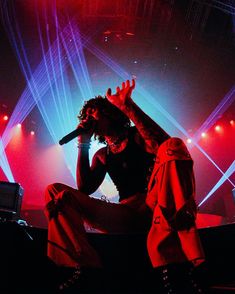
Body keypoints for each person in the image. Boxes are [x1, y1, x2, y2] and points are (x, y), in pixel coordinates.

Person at [45, 79, 206, 293]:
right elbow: (84, 188)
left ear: (110, 112)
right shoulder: (103, 155)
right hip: (124, 214)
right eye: (86, 115)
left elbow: (164, 144)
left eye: (93, 112)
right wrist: (83, 143)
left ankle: (178, 260)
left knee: (174, 145)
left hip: (154, 206)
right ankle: (83, 269)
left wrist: (127, 106)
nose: (87, 117)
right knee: (55, 191)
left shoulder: (137, 137)